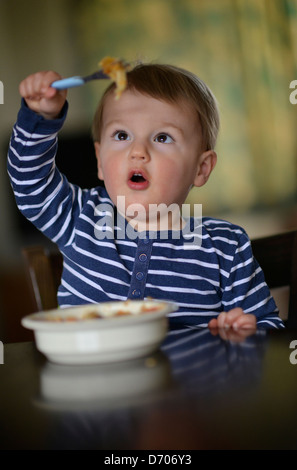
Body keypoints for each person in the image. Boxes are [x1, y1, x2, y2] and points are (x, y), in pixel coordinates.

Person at [7, 63, 284, 330]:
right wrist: (41, 118)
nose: (138, 151)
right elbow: (30, 183)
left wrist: (244, 332)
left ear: (201, 169)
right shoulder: (81, 218)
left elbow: (267, 325)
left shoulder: (226, 247)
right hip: (89, 375)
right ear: (100, 161)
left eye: (162, 137)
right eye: (122, 135)